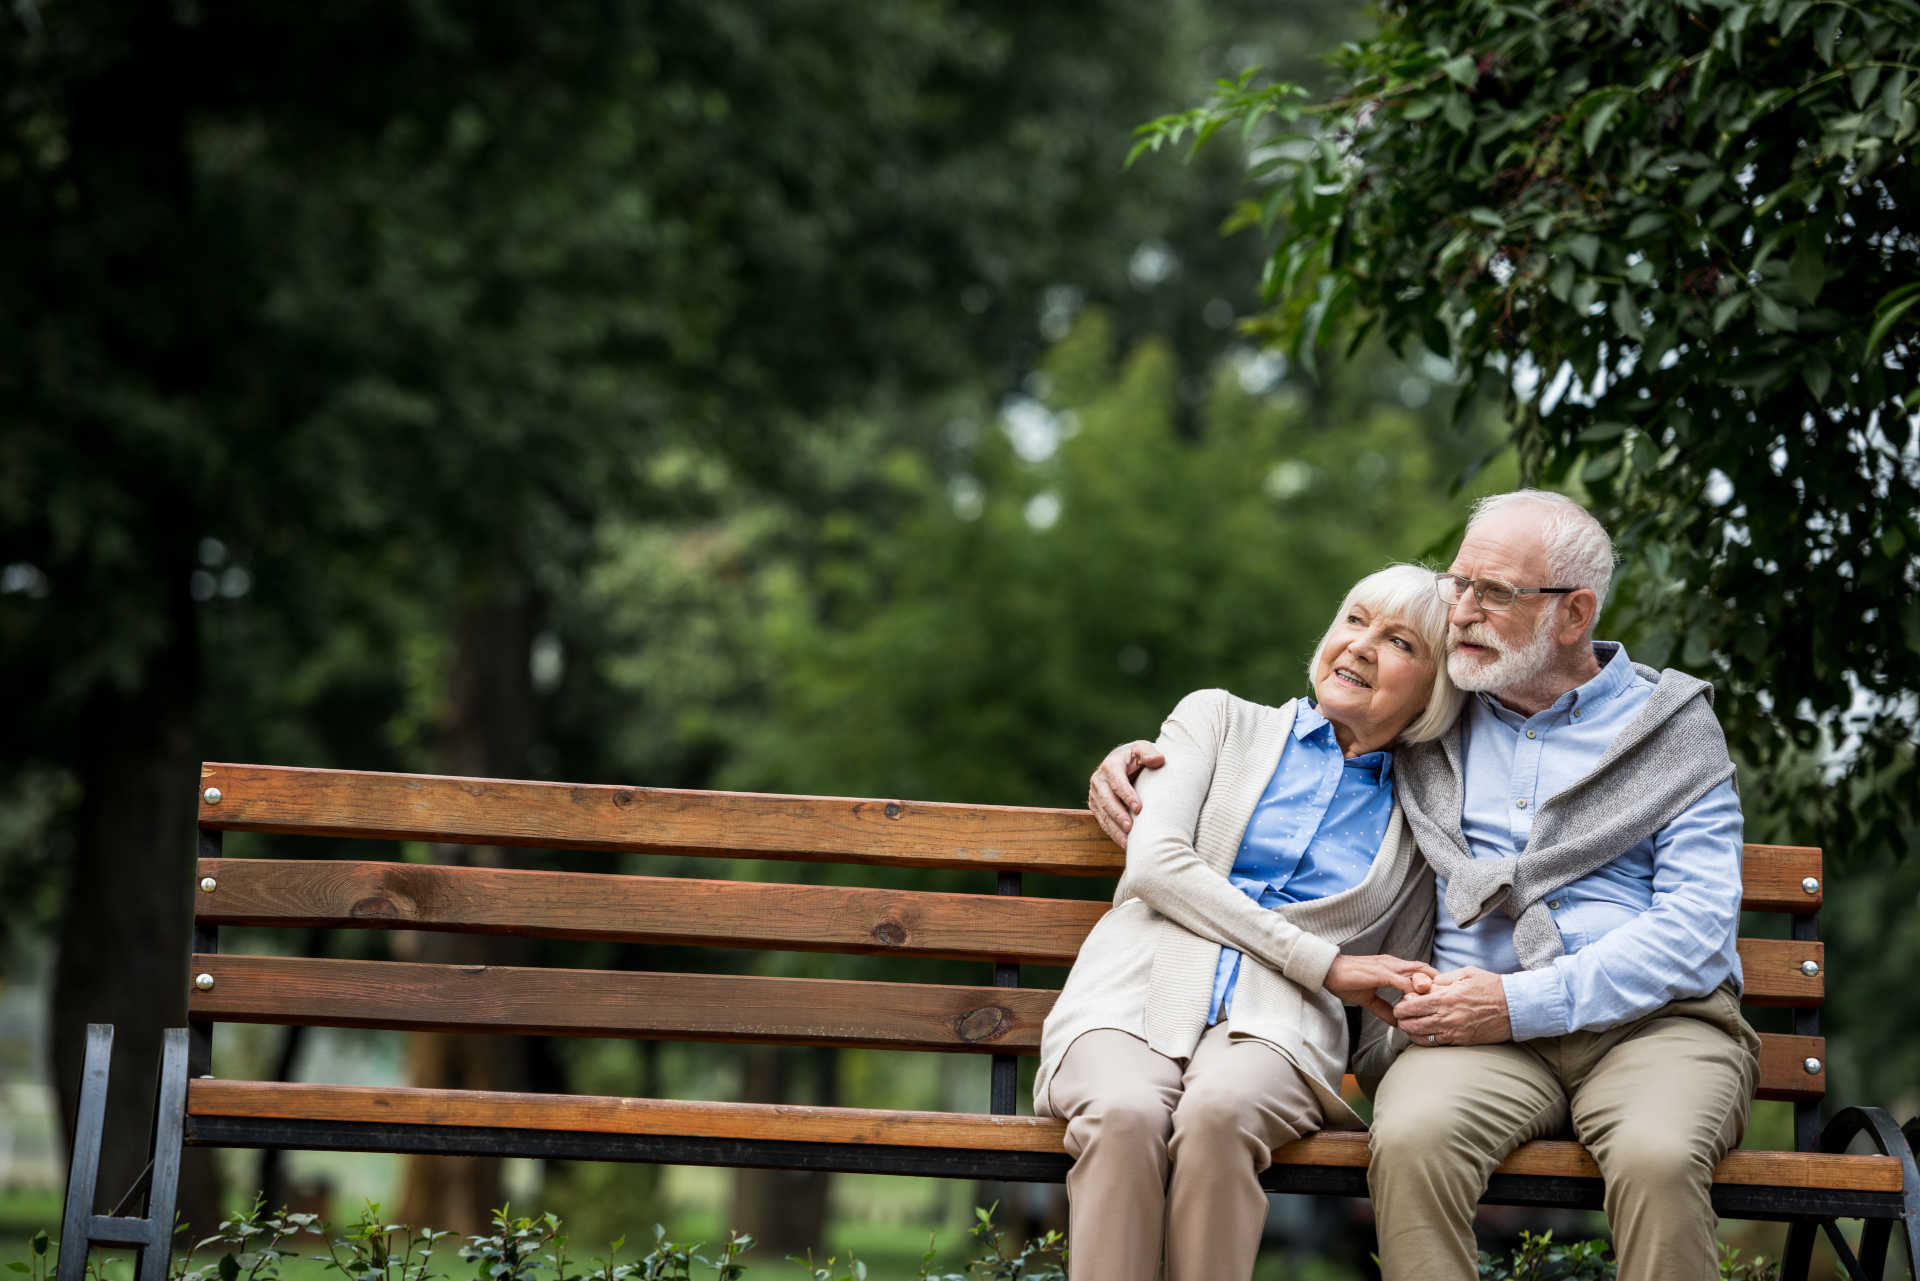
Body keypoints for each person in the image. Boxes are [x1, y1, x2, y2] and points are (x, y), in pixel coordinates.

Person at [1088, 490, 1760, 1281]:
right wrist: (1144, 762)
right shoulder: (1436, 716)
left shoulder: (1670, 728)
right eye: (1458, 583)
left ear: (1574, 614)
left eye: (1494, 592)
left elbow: (1697, 926)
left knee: (1656, 1156)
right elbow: (1315, 733)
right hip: (1470, 1030)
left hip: (1655, 1022)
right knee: (1409, 1140)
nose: (1463, 611)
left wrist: (1516, 1002)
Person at [1036, 562, 1464, 1281]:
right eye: (1354, 619)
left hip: (1279, 1032)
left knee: (1219, 1114)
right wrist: (1325, 964)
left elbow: (1392, 1000)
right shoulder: (1217, 719)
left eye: (1400, 642)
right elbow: (1156, 863)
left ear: (1435, 690)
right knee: (1122, 1112)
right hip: (1126, 998)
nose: (1360, 644)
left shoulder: (1422, 820)